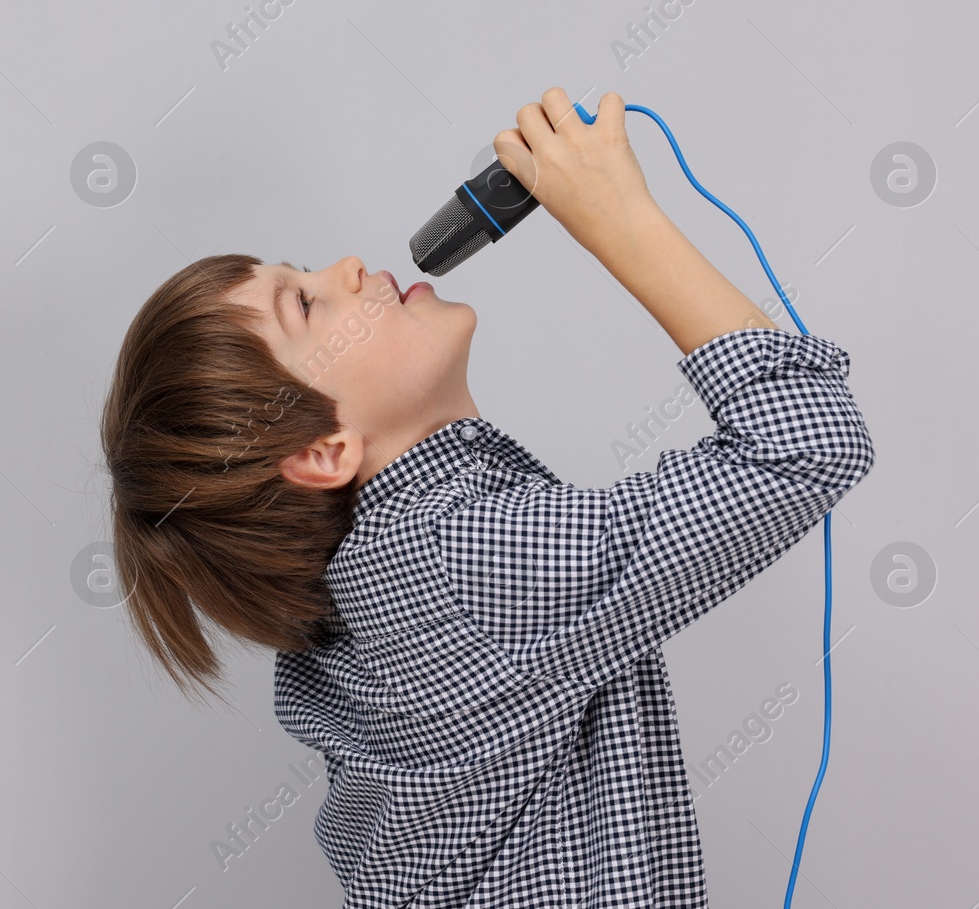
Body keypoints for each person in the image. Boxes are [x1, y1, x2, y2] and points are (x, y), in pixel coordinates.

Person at [100, 89, 876, 907]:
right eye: (306, 302)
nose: (348, 269)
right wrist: (620, 219)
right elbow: (807, 442)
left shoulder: (374, 580)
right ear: (324, 450)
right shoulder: (464, 560)